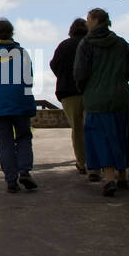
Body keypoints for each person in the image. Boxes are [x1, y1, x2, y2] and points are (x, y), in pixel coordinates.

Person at [73, 7, 129, 197]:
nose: (86, 23)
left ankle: (109, 178)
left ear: (94, 21)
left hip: (96, 99)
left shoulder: (86, 44)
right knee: (120, 136)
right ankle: (123, 176)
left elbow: (80, 73)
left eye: (88, 19)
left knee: (101, 138)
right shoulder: (121, 44)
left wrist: (86, 88)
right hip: (119, 97)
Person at [0, 18, 38, 194]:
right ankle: (24, 171)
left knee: (4, 143)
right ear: (11, 34)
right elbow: (29, 78)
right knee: (24, 137)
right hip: (20, 101)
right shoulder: (21, 53)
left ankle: (11, 180)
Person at [49, 18, 89, 173]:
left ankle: (81, 161)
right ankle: (94, 162)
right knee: (91, 127)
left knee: (77, 128)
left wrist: (64, 76)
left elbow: (54, 65)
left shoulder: (64, 45)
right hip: (88, 90)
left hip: (68, 92)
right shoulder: (89, 44)